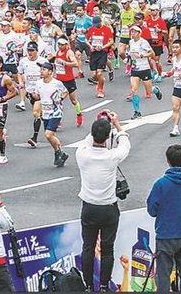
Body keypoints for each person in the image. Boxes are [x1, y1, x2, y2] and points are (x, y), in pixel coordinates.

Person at [76, 113, 130, 292]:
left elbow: (86, 140)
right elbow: (125, 144)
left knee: (88, 248)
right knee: (108, 249)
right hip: (109, 208)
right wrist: (116, 123)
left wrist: (100, 121)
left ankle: (88, 286)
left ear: (93, 135)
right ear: (108, 137)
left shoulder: (82, 154)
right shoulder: (111, 157)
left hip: (89, 207)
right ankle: (105, 286)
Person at [146, 144, 181, 292]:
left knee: (163, 274)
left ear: (168, 161)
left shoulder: (160, 184)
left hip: (166, 235)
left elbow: (152, 210)